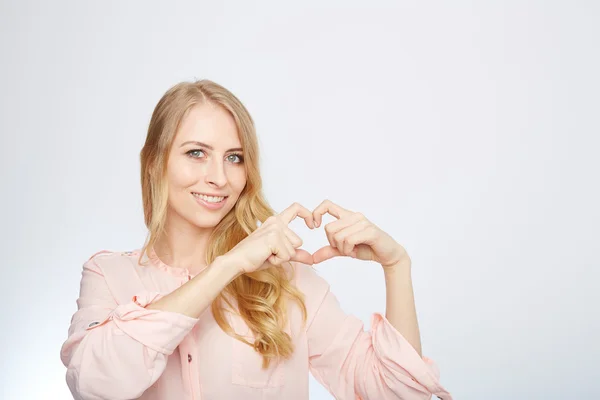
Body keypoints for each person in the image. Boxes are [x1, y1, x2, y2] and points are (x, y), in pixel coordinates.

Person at [60, 79, 453, 400]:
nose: (219, 177)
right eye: (196, 153)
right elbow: (96, 383)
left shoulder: (286, 281)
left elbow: (395, 393)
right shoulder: (109, 275)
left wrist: (397, 265)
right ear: (154, 162)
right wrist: (227, 266)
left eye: (235, 157)